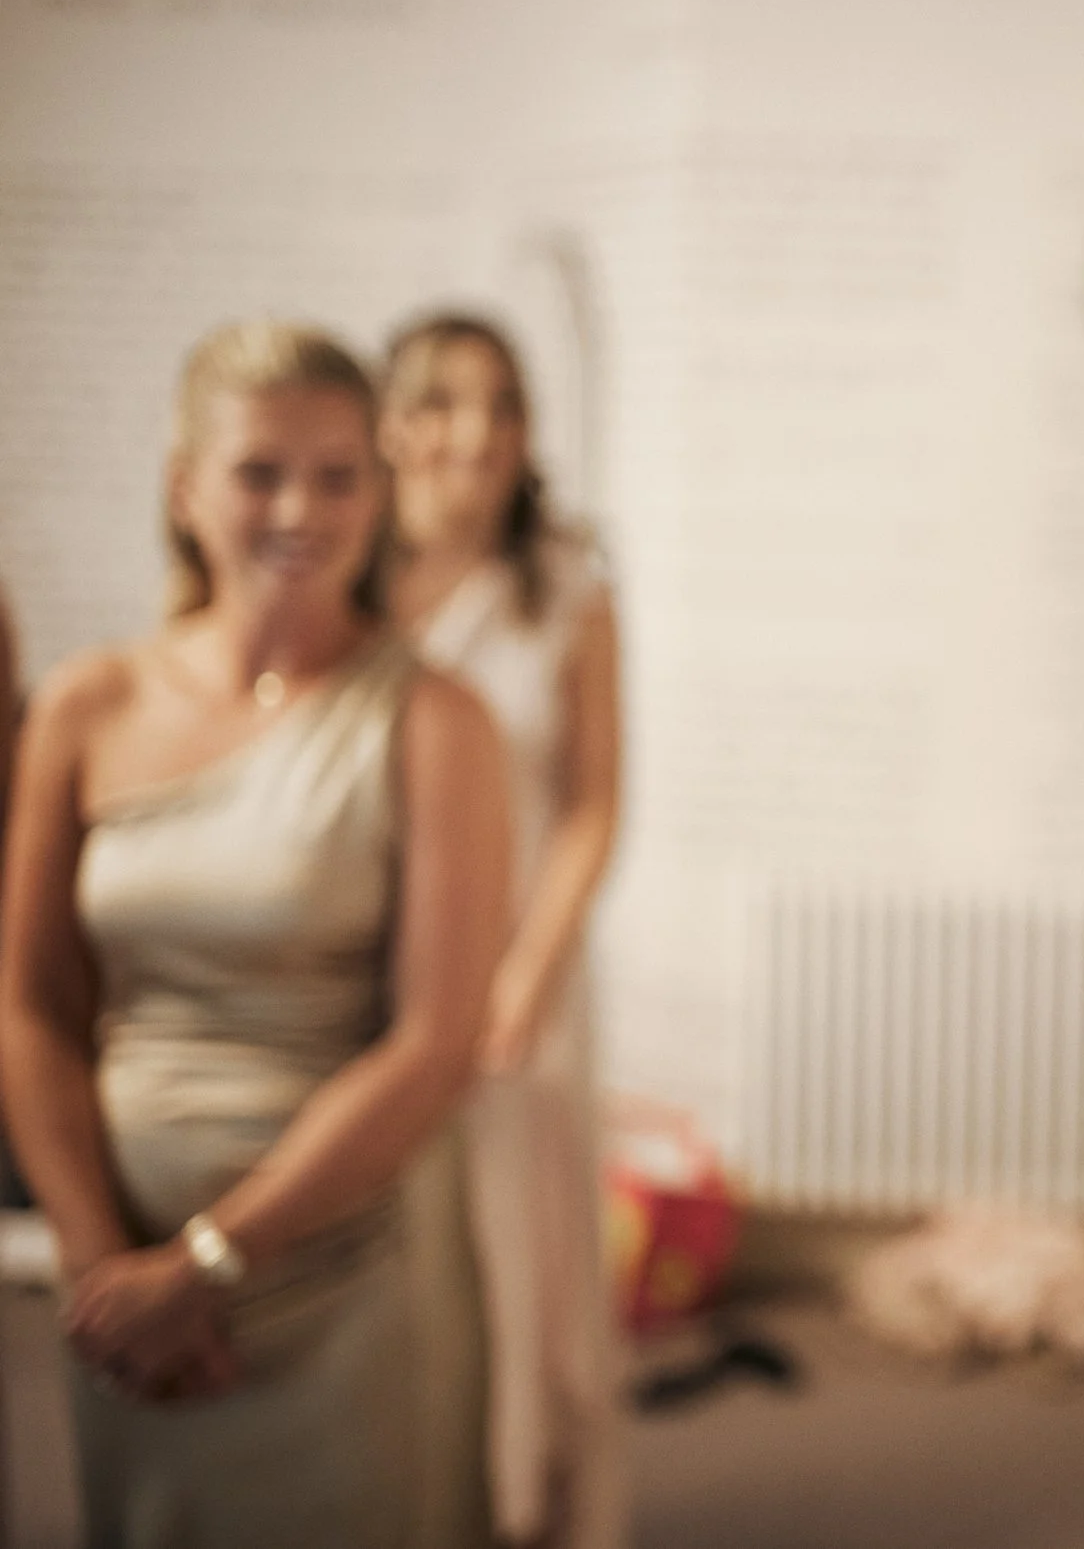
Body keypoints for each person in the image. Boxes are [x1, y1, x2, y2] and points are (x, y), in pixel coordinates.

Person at [0, 320, 510, 1548]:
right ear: (185, 488)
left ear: (378, 494)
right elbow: (32, 1003)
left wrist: (204, 1264)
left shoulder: (436, 719)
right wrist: (99, 1264)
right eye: (260, 471)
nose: (300, 509)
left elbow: (435, 1043)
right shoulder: (85, 703)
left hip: (344, 1265)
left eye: (338, 476)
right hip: (121, 1272)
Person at [379, 313, 625, 1549]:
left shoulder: (568, 586)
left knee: (532, 1265)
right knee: (400, 1260)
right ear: (389, 420)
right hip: (380, 966)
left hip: (525, 965)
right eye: (442, 401)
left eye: (501, 404)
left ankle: (539, 1508)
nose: (474, 432)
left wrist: (525, 971)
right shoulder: (347, 581)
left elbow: (593, 803)